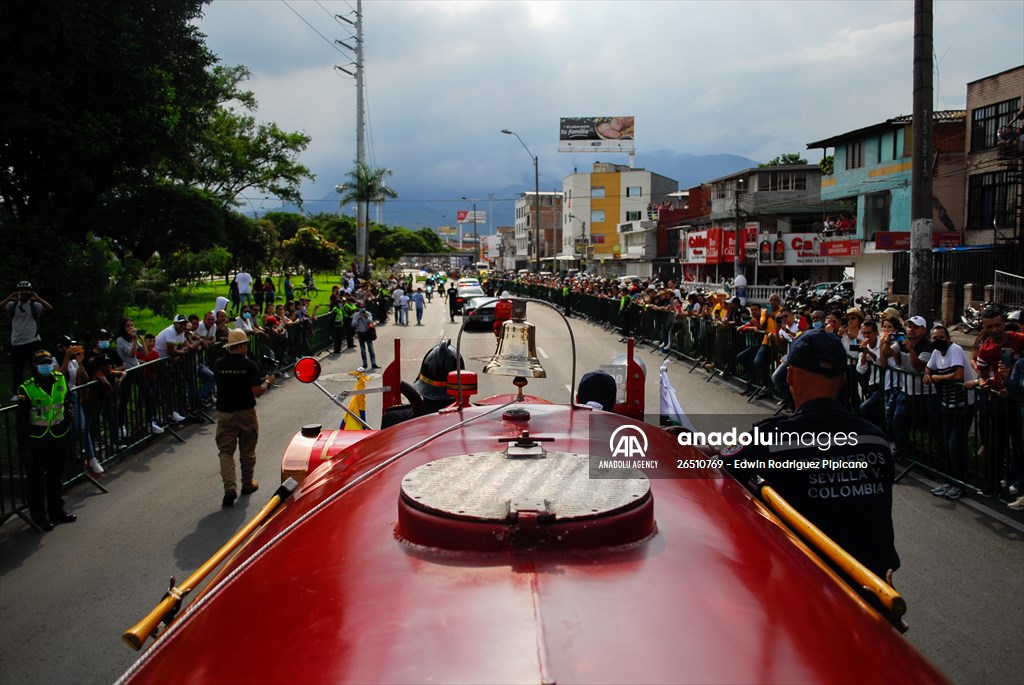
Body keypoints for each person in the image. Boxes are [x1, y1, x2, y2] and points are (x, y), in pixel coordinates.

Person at [724, 330, 900, 581]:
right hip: (876, 593)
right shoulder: (876, 440)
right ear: (842, 380)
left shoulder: (770, 439)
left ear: (790, 376)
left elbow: (716, 471)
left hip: (804, 590)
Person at [16, 349, 77, 531]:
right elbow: (21, 422)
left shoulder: (60, 380)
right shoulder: (27, 388)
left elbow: (66, 400)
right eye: (43, 363)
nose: (47, 366)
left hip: (58, 435)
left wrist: (69, 411)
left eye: (48, 362)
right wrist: (24, 449)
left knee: (55, 476)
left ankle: (56, 511)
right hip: (37, 439)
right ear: (35, 367)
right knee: (36, 480)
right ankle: (39, 517)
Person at [213, 329, 275, 508]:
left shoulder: (218, 364)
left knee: (225, 452)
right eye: (246, 344)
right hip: (246, 412)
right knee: (247, 450)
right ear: (242, 346)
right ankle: (247, 484)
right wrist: (268, 381)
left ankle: (230, 486)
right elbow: (257, 391)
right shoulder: (249, 366)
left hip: (225, 413)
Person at [923, 324, 976, 500]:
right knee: (946, 443)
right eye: (935, 337)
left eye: (941, 337)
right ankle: (949, 480)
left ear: (948, 338)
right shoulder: (937, 353)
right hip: (947, 405)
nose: (937, 340)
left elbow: (958, 375)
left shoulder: (955, 349)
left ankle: (960, 484)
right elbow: (929, 368)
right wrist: (928, 374)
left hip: (963, 406)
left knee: (955, 445)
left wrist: (938, 378)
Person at [3, 281, 54, 401]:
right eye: (21, 291)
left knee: (35, 366)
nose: (24, 293)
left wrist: (38, 298)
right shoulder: (12, 305)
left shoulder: (34, 305)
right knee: (17, 369)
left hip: (33, 339)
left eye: (26, 291)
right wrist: (10, 298)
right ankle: (17, 392)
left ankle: (40, 387)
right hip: (17, 341)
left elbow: (49, 308)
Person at [353, 303, 380, 370]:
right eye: (360, 307)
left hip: (367, 333)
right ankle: (364, 363)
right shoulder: (356, 315)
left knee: (370, 349)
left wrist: (366, 317)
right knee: (362, 349)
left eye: (363, 307)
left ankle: (373, 363)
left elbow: (371, 321)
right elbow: (353, 324)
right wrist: (358, 320)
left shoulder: (368, 314)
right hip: (360, 333)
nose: (362, 309)